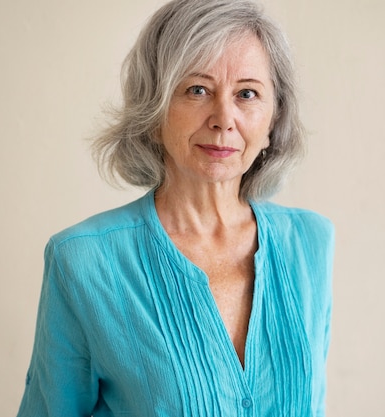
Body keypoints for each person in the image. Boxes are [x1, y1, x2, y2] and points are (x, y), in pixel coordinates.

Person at [16, 0, 334, 416]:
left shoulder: (310, 243)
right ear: (154, 110)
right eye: (197, 89)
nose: (224, 118)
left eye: (247, 93)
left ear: (274, 118)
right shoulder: (82, 262)